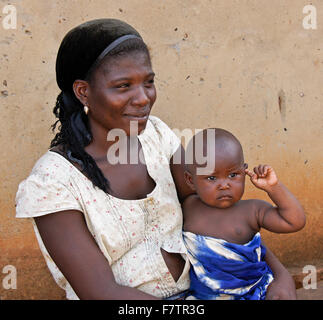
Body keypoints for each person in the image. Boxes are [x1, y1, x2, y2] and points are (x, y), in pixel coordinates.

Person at [16, 18, 297, 300]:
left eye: (148, 82)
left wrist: (278, 276)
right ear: (83, 92)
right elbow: (101, 293)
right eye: (123, 86)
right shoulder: (53, 184)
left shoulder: (157, 137)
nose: (143, 98)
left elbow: (217, 214)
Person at [182, 128, 306, 300]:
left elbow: (295, 221)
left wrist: (273, 187)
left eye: (233, 175)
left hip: (255, 292)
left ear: (244, 171)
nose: (224, 185)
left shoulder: (253, 210)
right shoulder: (188, 208)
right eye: (212, 178)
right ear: (191, 180)